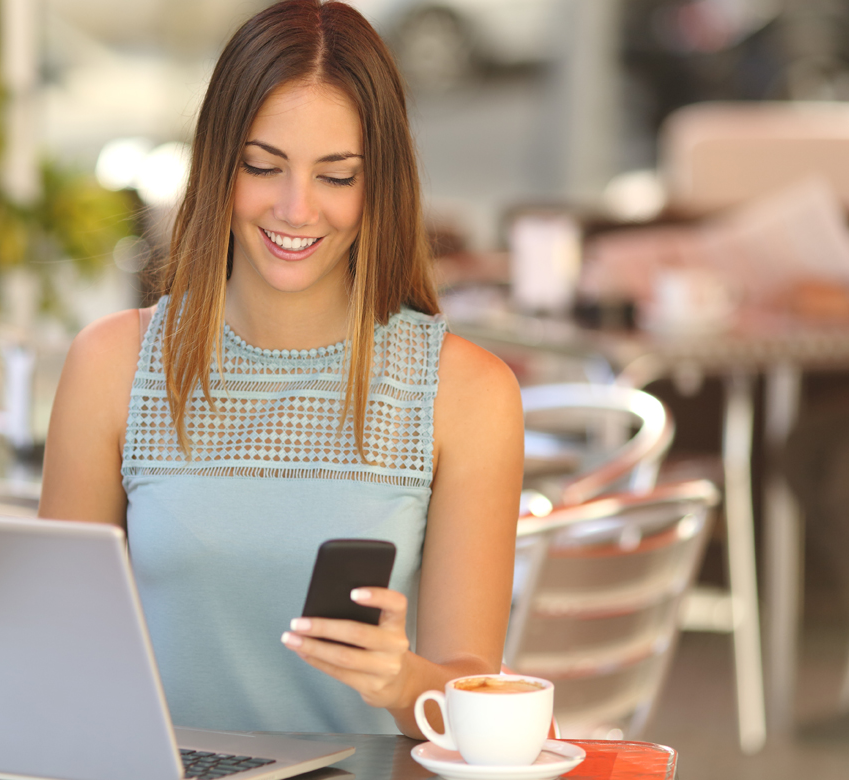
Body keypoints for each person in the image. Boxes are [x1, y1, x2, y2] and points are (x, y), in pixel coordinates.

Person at [39, 0, 522, 738]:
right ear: (217, 166)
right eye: (264, 167)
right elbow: (55, 659)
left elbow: (476, 706)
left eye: (337, 177)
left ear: (379, 185)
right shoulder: (111, 367)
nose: (296, 209)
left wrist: (403, 680)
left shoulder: (467, 395)